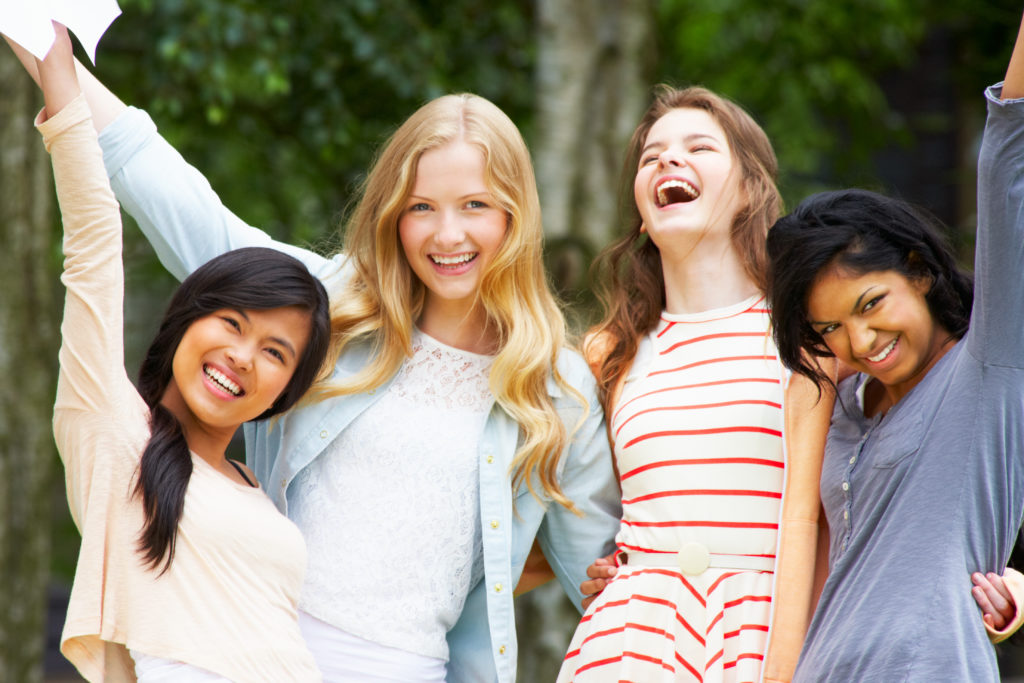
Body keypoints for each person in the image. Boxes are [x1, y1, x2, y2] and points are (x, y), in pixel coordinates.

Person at [5, 27, 623, 683]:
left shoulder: (557, 388)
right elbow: (160, 182)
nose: (449, 234)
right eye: (422, 207)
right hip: (252, 658)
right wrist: (35, 29)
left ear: (514, 217)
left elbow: (610, 586)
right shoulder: (325, 309)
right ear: (393, 214)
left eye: (476, 206)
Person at [557, 80, 1024, 681]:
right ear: (641, 214)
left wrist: (1002, 574)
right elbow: (565, 510)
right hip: (634, 641)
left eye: (699, 148)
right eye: (651, 156)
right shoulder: (606, 353)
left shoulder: (821, 345)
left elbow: (924, 468)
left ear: (750, 189)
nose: (669, 160)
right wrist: (595, 566)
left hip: (768, 638)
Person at [22, 25, 331, 682]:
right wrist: (49, 52)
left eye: (276, 352)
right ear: (187, 316)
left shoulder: (255, 489)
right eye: (231, 321)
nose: (243, 356)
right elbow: (94, 245)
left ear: (287, 389)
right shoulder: (113, 428)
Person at [763, 13, 1024, 680]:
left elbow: (1008, 157)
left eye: (870, 305)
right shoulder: (840, 402)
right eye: (830, 328)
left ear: (918, 268)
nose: (861, 340)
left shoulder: (987, 366)